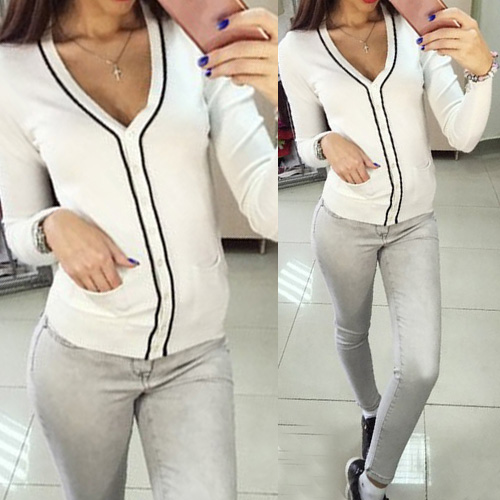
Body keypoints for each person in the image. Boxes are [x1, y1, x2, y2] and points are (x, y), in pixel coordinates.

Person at [0, 0, 278, 498]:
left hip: (195, 356)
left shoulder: (197, 40)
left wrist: (288, 88)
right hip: (80, 360)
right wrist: (52, 226)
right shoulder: (13, 70)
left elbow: (265, 204)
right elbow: (20, 228)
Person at [279, 0, 495, 499]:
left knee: (421, 367)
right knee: (351, 330)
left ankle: (371, 483)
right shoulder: (298, 47)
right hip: (343, 223)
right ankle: (372, 410)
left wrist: (483, 72)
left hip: (413, 225)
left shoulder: (416, 29)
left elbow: (463, 135)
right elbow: (305, 143)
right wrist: (327, 142)